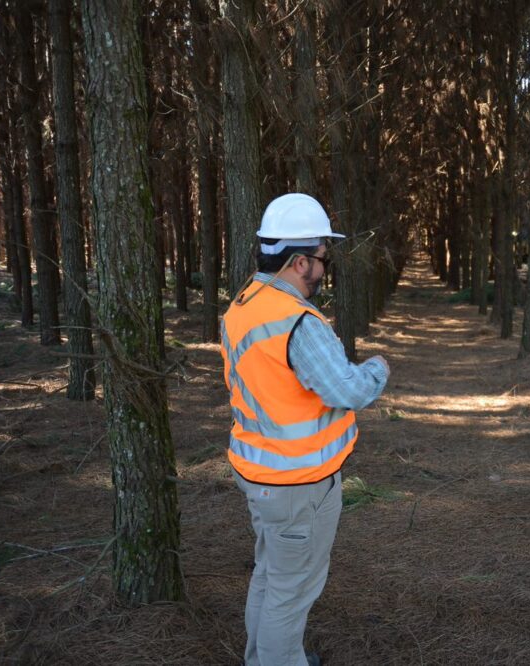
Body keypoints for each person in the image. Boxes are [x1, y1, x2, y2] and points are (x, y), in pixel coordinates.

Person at [220, 193, 390, 666]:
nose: (324, 267)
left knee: (271, 576)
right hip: (298, 485)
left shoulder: (243, 305)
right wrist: (377, 368)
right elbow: (348, 391)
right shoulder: (296, 321)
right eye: (321, 258)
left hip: (260, 474)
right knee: (291, 594)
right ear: (298, 262)